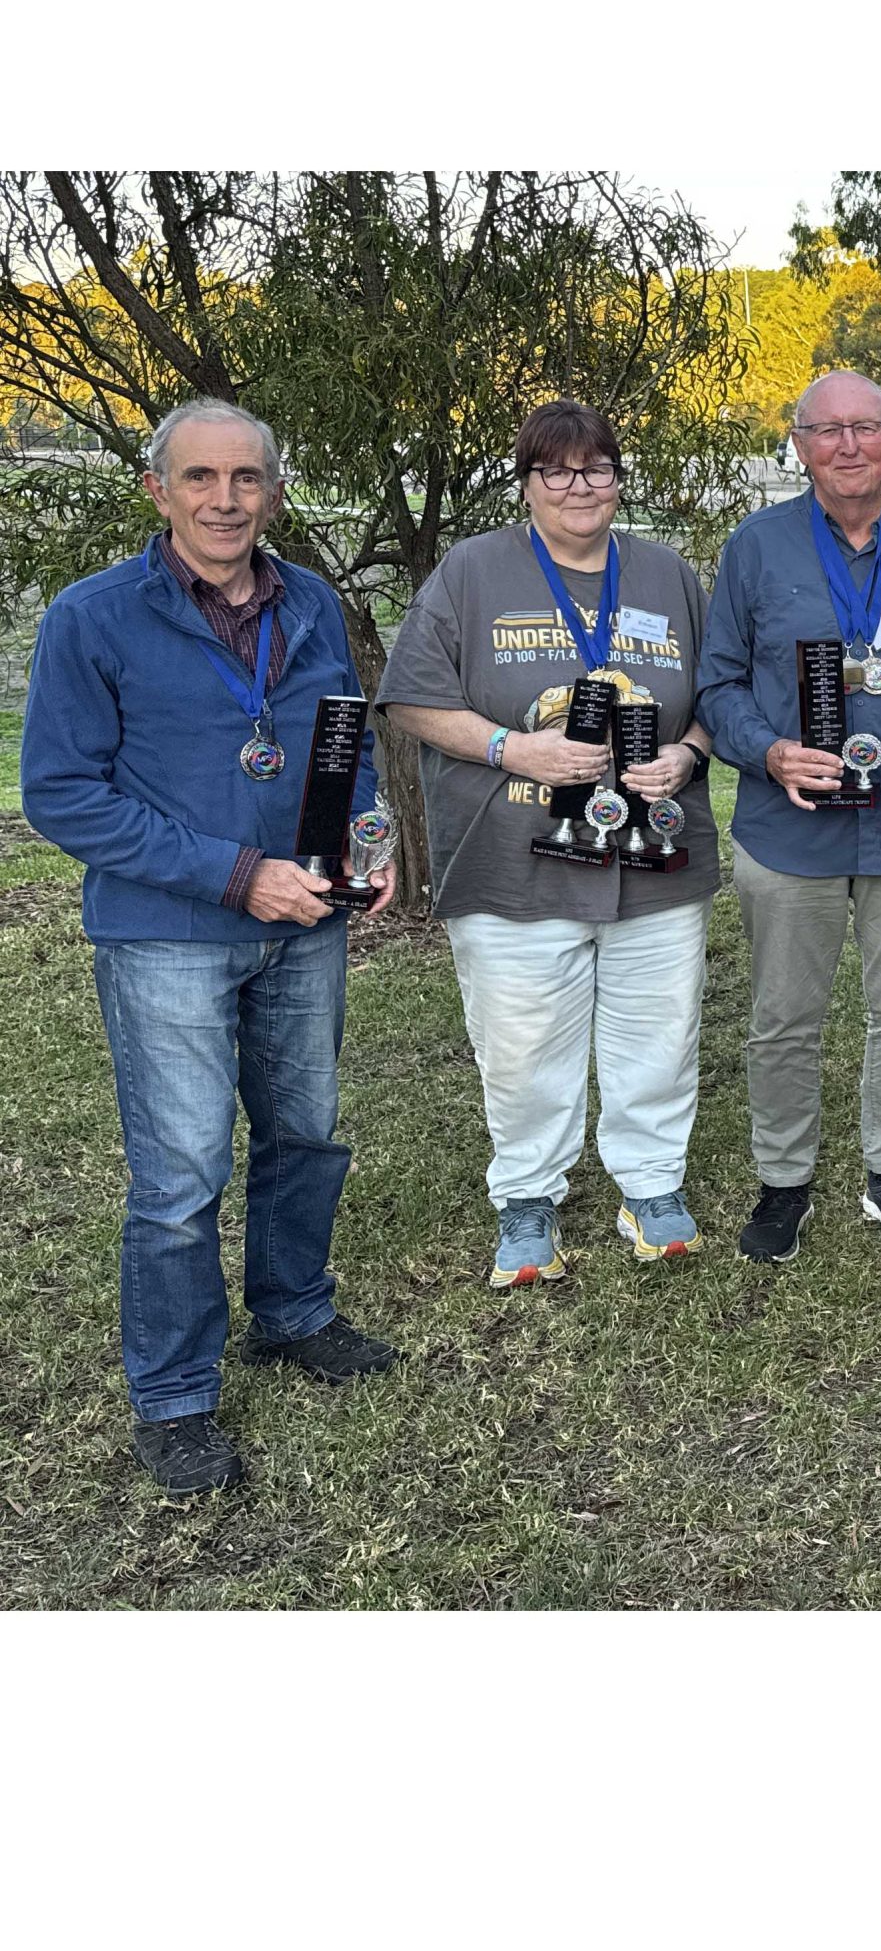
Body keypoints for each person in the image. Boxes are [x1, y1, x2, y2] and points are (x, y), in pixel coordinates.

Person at [22, 398, 398, 1495]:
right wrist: (239, 875)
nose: (225, 499)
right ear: (159, 490)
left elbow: (342, 745)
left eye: (246, 478)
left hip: (305, 925)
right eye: (200, 477)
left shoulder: (311, 602)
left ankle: (294, 1312)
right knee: (182, 1174)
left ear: (274, 491)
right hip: (169, 936)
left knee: (305, 1135)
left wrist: (362, 837)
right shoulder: (92, 618)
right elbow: (61, 794)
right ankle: (177, 1396)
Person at [377, 400, 720, 1283]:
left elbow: (720, 698)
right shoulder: (472, 570)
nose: (579, 486)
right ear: (526, 483)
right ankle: (528, 1197)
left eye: (596, 468)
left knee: (661, 1030)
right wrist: (511, 747)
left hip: (655, 857)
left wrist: (686, 754)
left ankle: (652, 1185)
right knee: (523, 1044)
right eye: (556, 470)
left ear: (618, 479)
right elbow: (411, 696)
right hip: (513, 855)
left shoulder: (667, 576)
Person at [696, 371, 881, 1253]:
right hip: (789, 831)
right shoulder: (756, 547)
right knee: (783, 1018)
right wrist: (769, 751)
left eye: (867, 427)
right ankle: (783, 1181)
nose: (849, 445)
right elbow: (718, 684)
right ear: (799, 446)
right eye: (828, 430)